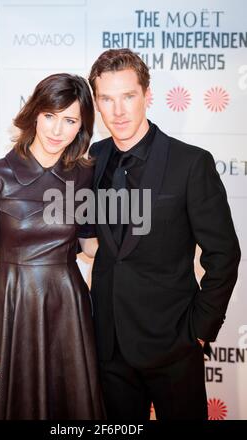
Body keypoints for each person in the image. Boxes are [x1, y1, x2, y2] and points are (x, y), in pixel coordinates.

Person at [87, 48, 241, 420]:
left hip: (173, 345)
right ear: (96, 103)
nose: (118, 110)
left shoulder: (191, 163)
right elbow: (84, 234)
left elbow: (224, 255)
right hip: (109, 346)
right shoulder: (92, 159)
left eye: (128, 96)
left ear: (148, 95)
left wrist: (198, 332)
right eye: (107, 99)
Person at [0, 73, 105, 420]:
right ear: (35, 115)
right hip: (7, 307)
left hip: (67, 308)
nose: (57, 131)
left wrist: (148, 253)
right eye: (50, 116)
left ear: (82, 127)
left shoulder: (84, 176)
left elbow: (90, 245)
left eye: (70, 120)